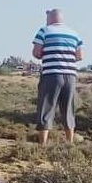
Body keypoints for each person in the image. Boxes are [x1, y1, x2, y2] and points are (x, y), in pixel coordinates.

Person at [31, 8, 84, 144]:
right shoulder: (75, 34)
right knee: (68, 109)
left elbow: (36, 53)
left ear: (50, 18)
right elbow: (80, 56)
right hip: (70, 75)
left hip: (51, 74)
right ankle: (69, 142)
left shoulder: (44, 31)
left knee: (46, 108)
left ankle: (43, 144)